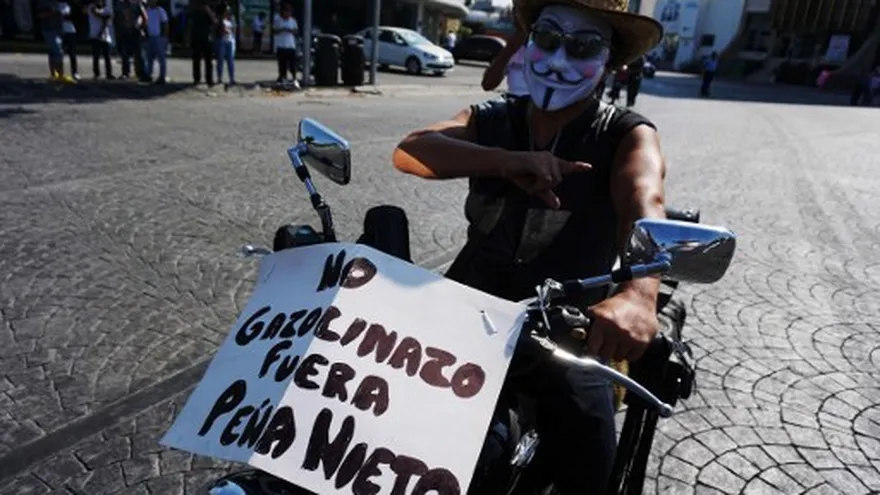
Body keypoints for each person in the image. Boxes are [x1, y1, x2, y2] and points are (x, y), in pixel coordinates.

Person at [391, 0, 665, 492]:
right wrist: (504, 161)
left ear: (611, 61)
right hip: (465, 310)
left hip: (564, 330)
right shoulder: (494, 117)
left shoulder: (627, 133)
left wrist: (640, 294)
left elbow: (647, 201)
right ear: (528, 41)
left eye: (582, 46)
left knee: (591, 447)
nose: (558, 59)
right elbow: (411, 149)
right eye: (547, 37)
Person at [481, 16, 529, 97]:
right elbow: (487, 84)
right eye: (514, 11)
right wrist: (509, 49)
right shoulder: (514, 46)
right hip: (513, 103)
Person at [116, 0, 147, 80]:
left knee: (138, 53)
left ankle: (140, 72)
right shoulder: (120, 4)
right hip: (125, 31)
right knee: (125, 53)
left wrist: (141, 28)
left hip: (135, 30)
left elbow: (144, 17)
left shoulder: (137, 4)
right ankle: (125, 72)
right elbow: (118, 18)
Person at [37, 0, 66, 80]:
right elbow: (40, 15)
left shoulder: (59, 3)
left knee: (53, 52)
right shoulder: (44, 2)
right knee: (58, 52)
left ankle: (53, 74)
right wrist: (53, 12)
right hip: (48, 30)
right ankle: (60, 75)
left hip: (59, 29)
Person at [188, 0, 216, 86]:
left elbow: (215, 22)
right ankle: (196, 78)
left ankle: (209, 79)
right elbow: (189, 24)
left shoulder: (209, 12)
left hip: (207, 39)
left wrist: (208, 11)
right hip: (196, 38)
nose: (202, 6)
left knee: (208, 61)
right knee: (196, 60)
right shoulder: (194, 12)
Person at [143, 0, 169, 83]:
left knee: (161, 58)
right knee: (149, 58)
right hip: (150, 36)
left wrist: (164, 37)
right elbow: (145, 23)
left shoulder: (160, 10)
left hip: (159, 37)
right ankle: (148, 75)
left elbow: (165, 23)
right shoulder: (146, 11)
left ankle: (162, 76)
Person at [273, 3, 298, 86]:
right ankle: (282, 78)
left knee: (292, 64)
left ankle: (294, 78)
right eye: (286, 12)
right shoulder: (278, 20)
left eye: (289, 12)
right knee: (282, 64)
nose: (287, 14)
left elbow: (296, 31)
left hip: (290, 46)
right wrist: (282, 29)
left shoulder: (293, 21)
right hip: (281, 45)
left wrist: (290, 30)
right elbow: (275, 31)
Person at [87, 0, 114, 79]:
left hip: (105, 35)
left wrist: (106, 17)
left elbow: (108, 17)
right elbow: (98, 14)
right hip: (95, 34)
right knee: (96, 56)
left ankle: (109, 74)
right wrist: (106, 17)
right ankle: (96, 73)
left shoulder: (106, 9)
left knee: (107, 56)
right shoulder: (91, 7)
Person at [215, 6, 236, 87]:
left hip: (229, 42)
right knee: (220, 60)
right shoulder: (220, 20)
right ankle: (219, 78)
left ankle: (232, 79)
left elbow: (233, 30)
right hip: (221, 42)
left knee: (230, 61)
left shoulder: (230, 20)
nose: (228, 12)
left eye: (229, 11)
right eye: (226, 11)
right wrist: (224, 30)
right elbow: (220, 29)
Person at [59, 0, 78, 80]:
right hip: (60, 31)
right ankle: (60, 72)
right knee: (59, 53)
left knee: (72, 53)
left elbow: (75, 16)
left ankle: (75, 72)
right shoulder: (56, 5)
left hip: (70, 31)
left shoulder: (71, 5)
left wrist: (66, 17)